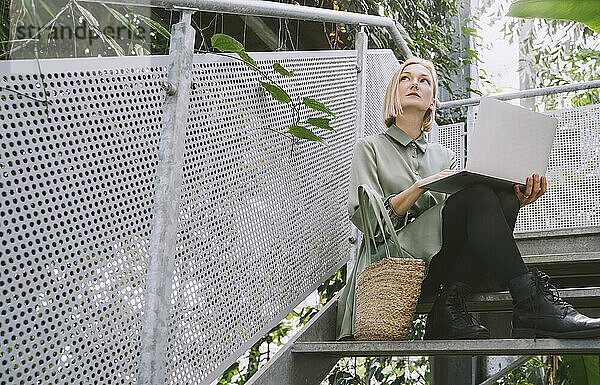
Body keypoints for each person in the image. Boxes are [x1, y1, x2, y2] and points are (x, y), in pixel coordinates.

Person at [336, 57, 600, 340]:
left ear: (432, 102)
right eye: (406, 78)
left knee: (501, 197)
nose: (415, 83)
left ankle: (450, 308)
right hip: (394, 268)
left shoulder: (443, 156)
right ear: (393, 95)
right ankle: (530, 302)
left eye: (424, 81)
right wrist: (419, 187)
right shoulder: (369, 148)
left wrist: (512, 204)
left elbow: (460, 226)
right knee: (478, 196)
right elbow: (371, 226)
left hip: (438, 266)